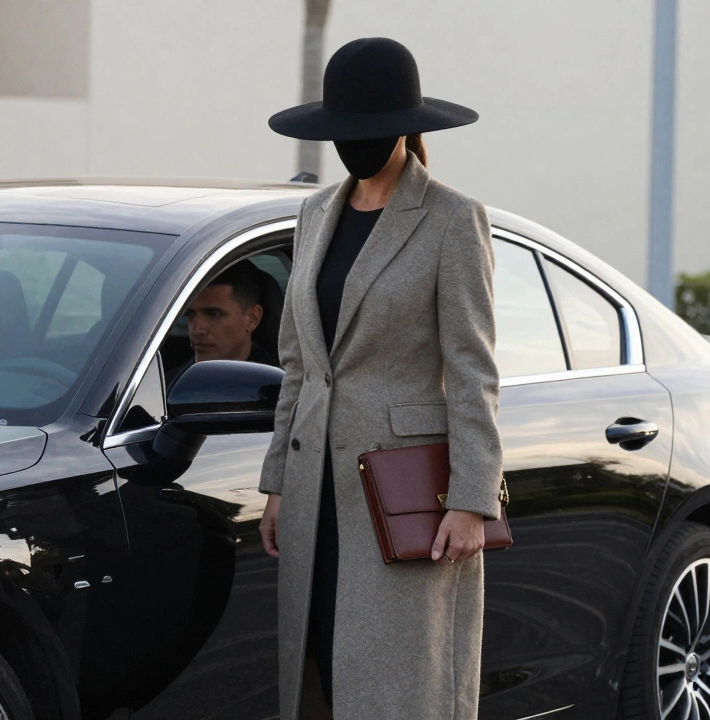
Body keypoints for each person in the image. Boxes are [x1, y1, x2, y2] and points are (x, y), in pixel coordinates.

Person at [257, 37, 503, 720]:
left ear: (404, 128)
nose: (354, 144)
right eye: (343, 131)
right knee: (320, 675)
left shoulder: (452, 219)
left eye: (369, 130)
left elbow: (474, 369)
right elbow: (299, 362)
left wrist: (472, 499)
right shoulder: (314, 213)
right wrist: (278, 481)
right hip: (315, 491)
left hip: (403, 495)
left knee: (399, 686)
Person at [168, 261, 278, 388]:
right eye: (190, 314)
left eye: (213, 314)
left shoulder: (275, 387)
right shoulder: (168, 385)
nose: (197, 330)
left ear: (252, 319)